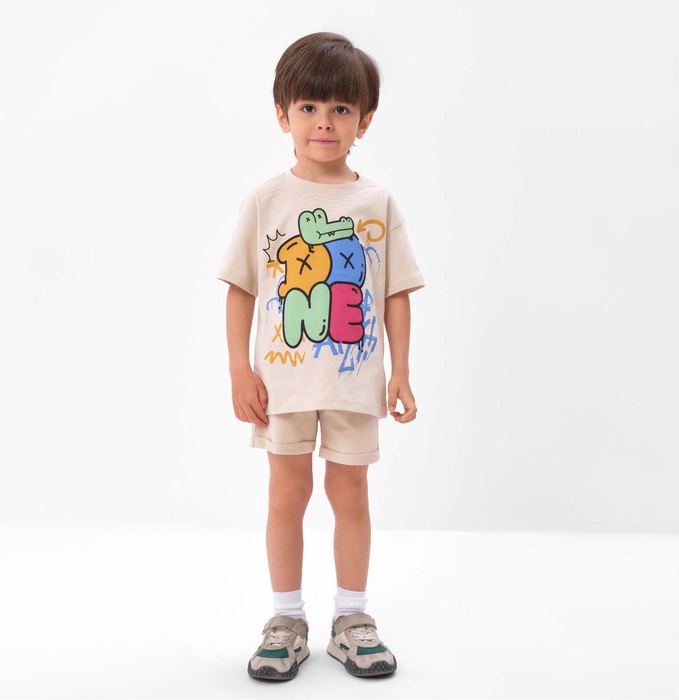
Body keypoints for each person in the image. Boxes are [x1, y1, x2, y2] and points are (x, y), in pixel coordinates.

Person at [217, 31, 425, 681]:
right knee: (287, 495)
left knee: (351, 493)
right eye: (308, 107)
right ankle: (285, 621)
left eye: (340, 109)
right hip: (282, 386)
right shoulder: (266, 201)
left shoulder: (376, 203)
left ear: (365, 120)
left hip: (354, 386)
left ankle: (352, 620)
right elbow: (241, 289)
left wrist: (401, 372)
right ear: (283, 115)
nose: (324, 123)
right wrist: (240, 370)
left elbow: (394, 292)